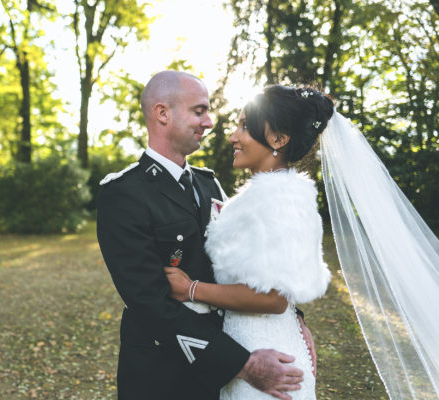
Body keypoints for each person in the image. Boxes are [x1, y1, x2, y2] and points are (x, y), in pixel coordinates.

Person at [165, 84, 439, 399]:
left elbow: (273, 298)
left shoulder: (278, 198)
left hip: (266, 357)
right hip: (255, 344)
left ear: (279, 139)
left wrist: (191, 290)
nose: (233, 136)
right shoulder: (270, 194)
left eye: (245, 127)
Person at [96, 72, 310, 400]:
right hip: (162, 373)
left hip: (221, 370)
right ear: (162, 113)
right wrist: (243, 364)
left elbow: (248, 263)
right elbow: (149, 302)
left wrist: (293, 318)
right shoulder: (124, 193)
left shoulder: (208, 184)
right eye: (199, 111)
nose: (209, 122)